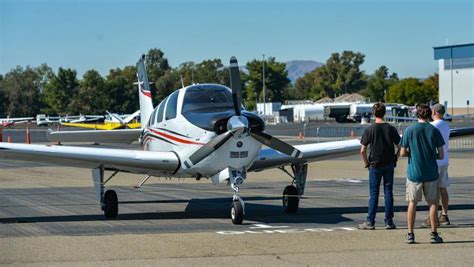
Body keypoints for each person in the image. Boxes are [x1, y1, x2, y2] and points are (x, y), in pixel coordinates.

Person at [400, 104, 445, 244]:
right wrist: (432, 156)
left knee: (412, 203)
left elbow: (402, 152)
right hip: (431, 172)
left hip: (414, 172)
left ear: (417, 114)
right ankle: (433, 233)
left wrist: (411, 154)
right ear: (429, 114)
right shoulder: (434, 130)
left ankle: (410, 234)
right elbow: (441, 154)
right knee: (432, 203)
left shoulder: (409, 130)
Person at [358, 102, 401, 230]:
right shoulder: (391, 128)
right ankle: (389, 221)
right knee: (388, 192)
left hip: (374, 165)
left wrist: (366, 163)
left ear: (373, 113)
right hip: (388, 164)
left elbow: (362, 149)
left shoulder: (370, 129)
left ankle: (370, 221)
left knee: (374, 193)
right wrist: (395, 158)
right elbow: (400, 146)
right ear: (384, 113)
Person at [425, 104, 450, 226]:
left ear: (434, 111)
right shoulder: (445, 125)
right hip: (444, 160)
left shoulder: (432, 126)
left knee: (433, 191)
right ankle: (444, 214)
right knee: (443, 189)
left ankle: (432, 218)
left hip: (434, 161)